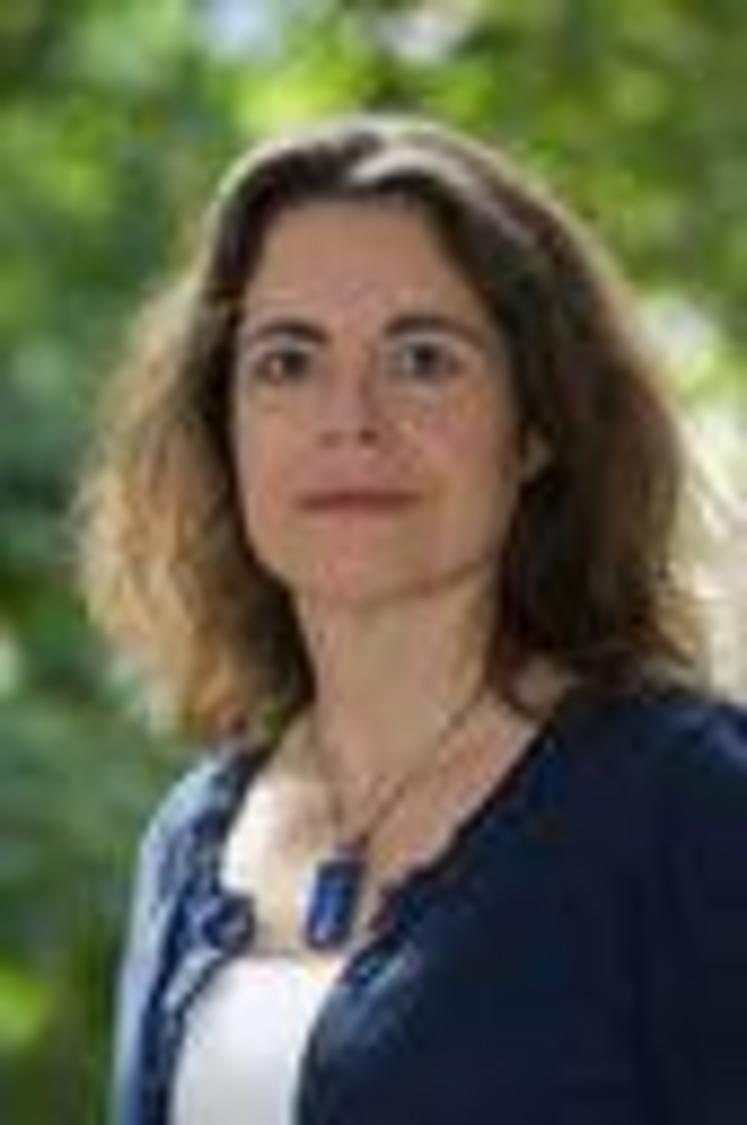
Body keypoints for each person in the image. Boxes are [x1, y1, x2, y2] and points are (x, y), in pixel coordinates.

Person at [78, 113, 747, 1125]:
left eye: (422, 359)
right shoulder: (188, 840)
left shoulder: (686, 804)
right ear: (226, 428)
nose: (349, 419)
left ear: (536, 425)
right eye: (288, 363)